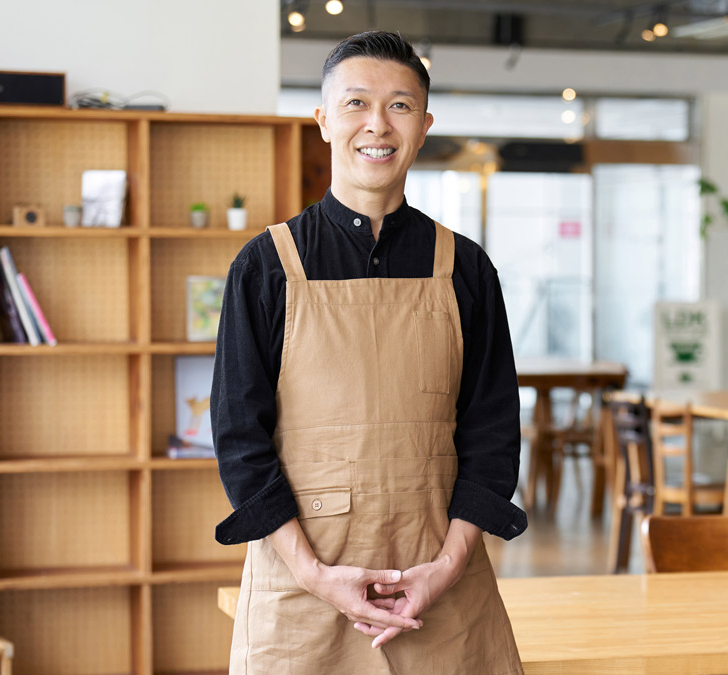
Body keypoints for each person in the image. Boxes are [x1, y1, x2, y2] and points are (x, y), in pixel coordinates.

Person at [211, 30, 526, 673]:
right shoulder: (266, 266)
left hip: (441, 587)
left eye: (400, 106)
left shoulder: (465, 267)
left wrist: (448, 565)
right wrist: (314, 573)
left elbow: (493, 434)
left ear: (425, 124)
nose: (376, 125)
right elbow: (240, 439)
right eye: (355, 104)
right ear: (324, 120)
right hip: (304, 591)